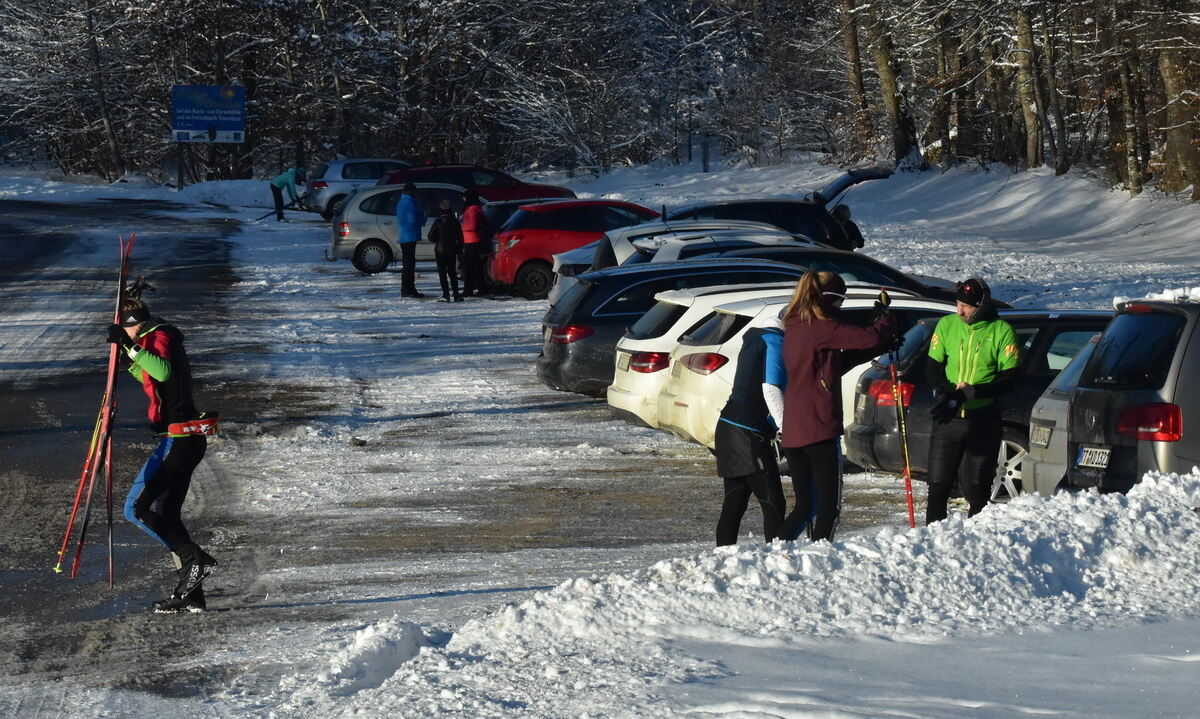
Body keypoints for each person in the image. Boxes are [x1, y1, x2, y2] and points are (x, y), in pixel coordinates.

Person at [106, 297, 218, 613]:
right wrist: (126, 360)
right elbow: (148, 376)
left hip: (179, 438)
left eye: (122, 327)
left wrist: (130, 349)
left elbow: (163, 371)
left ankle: (197, 560)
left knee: (136, 509)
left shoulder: (160, 335)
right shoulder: (153, 338)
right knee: (167, 516)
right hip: (181, 439)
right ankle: (193, 594)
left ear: (131, 324)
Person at [778, 271, 895, 542]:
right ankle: (821, 554)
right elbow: (866, 337)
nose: (841, 308)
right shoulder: (820, 327)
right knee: (829, 507)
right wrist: (886, 320)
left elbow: (834, 367)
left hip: (795, 431)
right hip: (818, 428)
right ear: (830, 299)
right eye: (841, 302)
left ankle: (777, 549)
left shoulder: (796, 326)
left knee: (804, 507)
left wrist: (878, 344)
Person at [924, 277, 1018, 524]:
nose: (960, 311)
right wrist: (943, 391)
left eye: (966, 306)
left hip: (983, 418)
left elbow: (1008, 379)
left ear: (982, 306)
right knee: (938, 484)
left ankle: (975, 540)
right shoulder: (947, 325)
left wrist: (973, 392)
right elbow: (933, 367)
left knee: (976, 487)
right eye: (957, 304)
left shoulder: (1001, 331)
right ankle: (931, 538)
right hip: (950, 415)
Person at [713, 310, 788, 545]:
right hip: (747, 432)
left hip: (728, 425)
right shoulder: (774, 340)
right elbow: (771, 387)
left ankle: (723, 556)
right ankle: (777, 558)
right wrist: (784, 427)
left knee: (735, 499)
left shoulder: (757, 336)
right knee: (773, 501)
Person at [427, 198, 464, 302]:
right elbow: (460, 238)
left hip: (440, 250)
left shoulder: (438, 222)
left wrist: (437, 239)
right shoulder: (455, 221)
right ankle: (456, 294)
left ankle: (445, 294)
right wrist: (459, 249)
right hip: (452, 250)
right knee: (452, 273)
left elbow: (430, 236)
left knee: (442, 273)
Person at [395, 182, 426, 298]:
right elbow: (412, 220)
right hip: (410, 235)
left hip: (404, 235)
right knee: (409, 264)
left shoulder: (402, 202)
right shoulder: (410, 203)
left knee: (407, 264)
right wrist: (422, 219)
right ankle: (409, 289)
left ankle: (407, 289)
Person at [460, 188, 489, 297]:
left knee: (471, 267)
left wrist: (462, 227)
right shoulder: (476, 208)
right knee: (474, 266)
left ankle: (471, 289)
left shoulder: (471, 209)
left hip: (471, 240)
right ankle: (479, 288)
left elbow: (470, 226)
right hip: (473, 239)